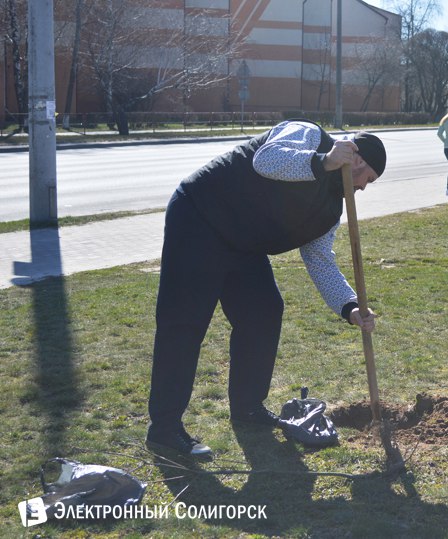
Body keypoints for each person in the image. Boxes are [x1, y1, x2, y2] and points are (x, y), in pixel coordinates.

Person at [146, 120, 386, 456]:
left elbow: (320, 262)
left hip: (244, 244)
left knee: (263, 312)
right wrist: (325, 161)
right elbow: (267, 160)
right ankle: (164, 428)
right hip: (200, 216)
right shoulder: (309, 134)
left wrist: (350, 306)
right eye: (367, 179)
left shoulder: (330, 208)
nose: (362, 188)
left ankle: (247, 407)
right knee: (185, 321)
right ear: (357, 161)